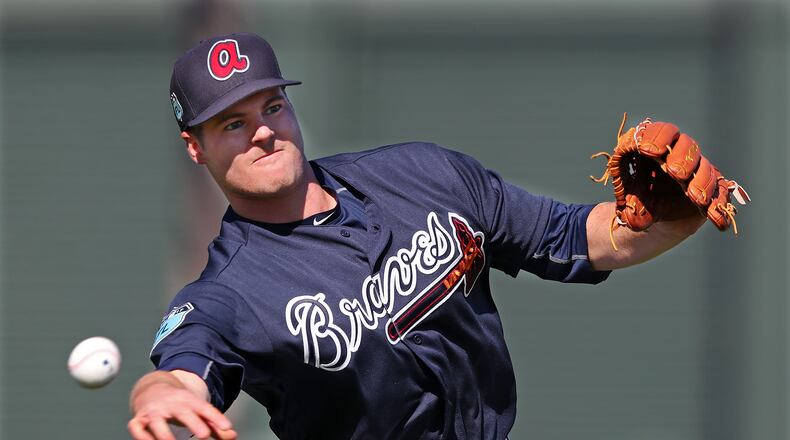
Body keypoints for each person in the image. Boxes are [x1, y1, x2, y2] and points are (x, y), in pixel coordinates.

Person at [127, 33, 709, 440]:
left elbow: (575, 238)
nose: (262, 132)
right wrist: (159, 398)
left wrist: (671, 217)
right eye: (233, 123)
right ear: (195, 147)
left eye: (272, 106)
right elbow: (180, 372)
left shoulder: (424, 174)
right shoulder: (227, 294)